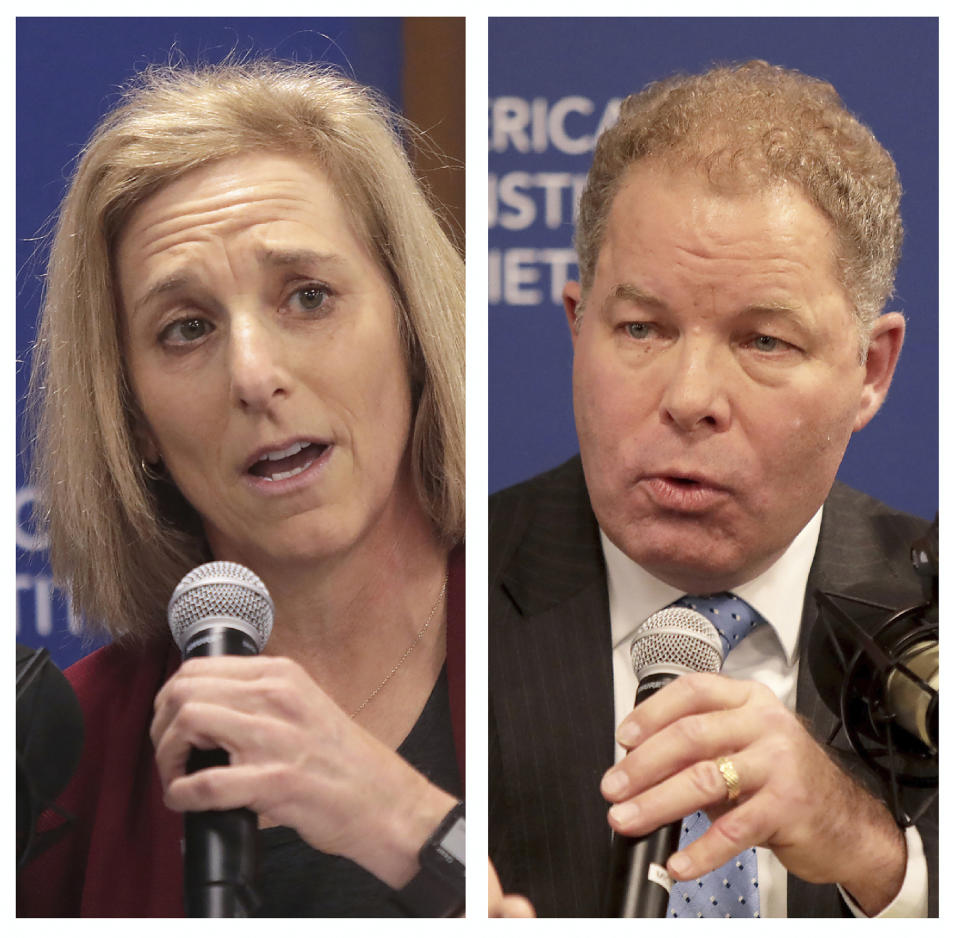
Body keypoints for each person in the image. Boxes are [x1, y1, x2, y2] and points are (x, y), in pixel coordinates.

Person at [17, 58, 465, 917]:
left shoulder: (585, 644)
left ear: (409, 325)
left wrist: (408, 824)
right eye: (186, 328)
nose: (254, 376)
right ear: (133, 415)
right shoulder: (59, 768)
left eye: (307, 296)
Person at [488, 61, 936, 918]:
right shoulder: (443, 590)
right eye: (642, 328)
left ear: (870, 370)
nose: (690, 397)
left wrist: (878, 860)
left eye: (763, 341)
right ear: (578, 329)